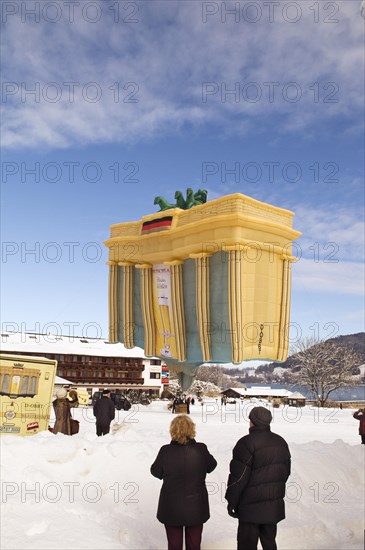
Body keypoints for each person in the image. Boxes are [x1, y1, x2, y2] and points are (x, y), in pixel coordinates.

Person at [225, 406, 291, 550]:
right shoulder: (281, 442)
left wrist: (232, 502)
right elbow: (285, 472)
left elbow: (238, 478)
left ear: (252, 422)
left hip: (249, 509)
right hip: (272, 505)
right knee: (269, 544)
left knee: (246, 545)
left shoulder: (246, 443)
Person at [151, 415, 217, 550]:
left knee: (174, 545)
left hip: (171, 507)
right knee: (194, 545)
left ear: (173, 430)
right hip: (196, 507)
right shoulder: (201, 449)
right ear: (191, 429)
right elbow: (212, 466)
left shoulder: (165, 451)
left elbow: (156, 472)